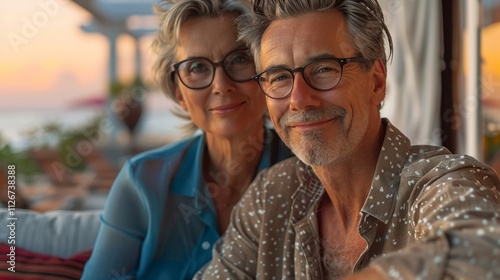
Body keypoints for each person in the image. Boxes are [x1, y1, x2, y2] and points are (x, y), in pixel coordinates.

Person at [196, 0, 500, 279]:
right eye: (279, 77)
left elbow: (485, 254)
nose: (299, 100)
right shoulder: (270, 197)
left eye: (325, 70)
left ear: (377, 82)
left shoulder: (441, 183)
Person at [81, 0, 293, 278]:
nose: (221, 85)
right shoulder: (142, 181)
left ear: (266, 72)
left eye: (239, 59)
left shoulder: (307, 173)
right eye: (196, 67)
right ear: (179, 92)